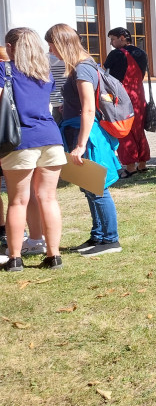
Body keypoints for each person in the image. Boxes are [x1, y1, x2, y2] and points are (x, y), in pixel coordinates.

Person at [45, 23, 123, 257]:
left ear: (62, 44)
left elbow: (89, 109)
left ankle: (111, 239)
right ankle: (98, 235)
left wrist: (80, 145)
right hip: (78, 131)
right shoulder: (83, 66)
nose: (51, 52)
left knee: (98, 188)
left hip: (86, 135)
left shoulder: (82, 69)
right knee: (89, 187)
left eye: (52, 46)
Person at [0, 28, 66, 272]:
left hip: (19, 139)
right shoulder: (44, 72)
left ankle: (15, 257)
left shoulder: (5, 70)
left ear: (10, 46)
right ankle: (53, 255)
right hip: (51, 137)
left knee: (18, 200)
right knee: (48, 198)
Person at [103, 27, 151, 177]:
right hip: (139, 94)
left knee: (124, 131)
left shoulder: (116, 54)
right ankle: (142, 164)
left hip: (122, 96)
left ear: (123, 37)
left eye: (113, 39)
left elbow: (105, 74)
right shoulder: (141, 53)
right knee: (139, 130)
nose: (111, 43)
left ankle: (130, 167)